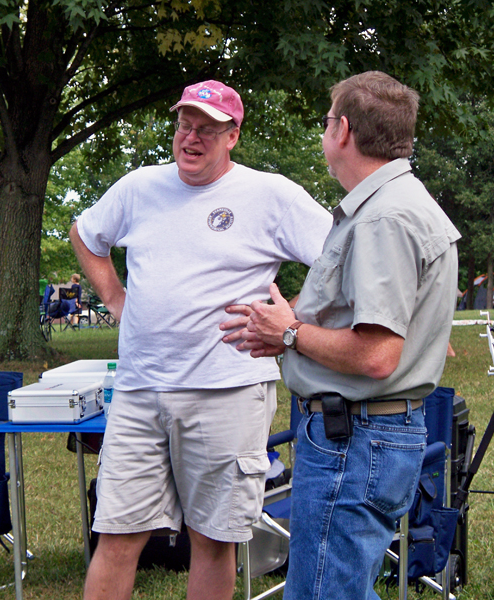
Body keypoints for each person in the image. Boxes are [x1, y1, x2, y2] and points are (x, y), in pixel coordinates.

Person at [69, 79, 332, 600]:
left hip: (228, 389)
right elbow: (85, 234)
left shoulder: (270, 194)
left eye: (207, 129)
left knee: (213, 540)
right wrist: (116, 299)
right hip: (140, 391)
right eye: (184, 126)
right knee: (116, 534)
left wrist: (290, 320)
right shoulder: (139, 187)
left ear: (232, 136)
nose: (191, 138)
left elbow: (339, 257)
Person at [231, 71, 460, 600]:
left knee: (322, 593)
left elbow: (378, 355)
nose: (325, 129)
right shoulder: (396, 203)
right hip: (364, 437)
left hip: (352, 442)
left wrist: (288, 332)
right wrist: (291, 336)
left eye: (328, 119)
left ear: (344, 131)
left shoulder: (385, 217)